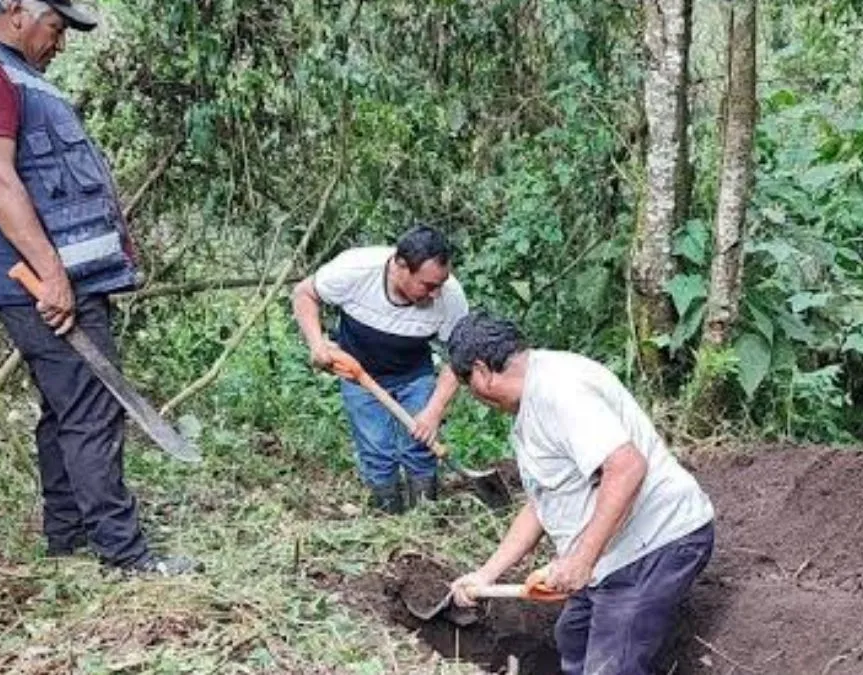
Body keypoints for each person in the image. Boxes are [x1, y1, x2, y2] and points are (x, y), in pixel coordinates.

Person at [0, 0, 198, 575]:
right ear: (15, 10)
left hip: (66, 277)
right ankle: (124, 556)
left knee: (67, 408)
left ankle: (70, 540)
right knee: (93, 408)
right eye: (55, 27)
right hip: (40, 282)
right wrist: (52, 276)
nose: (60, 43)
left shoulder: (17, 73)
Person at [445, 311, 715, 675]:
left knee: (612, 666)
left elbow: (627, 466)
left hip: (655, 542)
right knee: (572, 638)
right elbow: (543, 502)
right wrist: (486, 574)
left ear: (480, 372)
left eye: (469, 388)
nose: (477, 398)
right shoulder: (534, 400)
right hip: (614, 553)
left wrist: (581, 560)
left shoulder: (560, 391)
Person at [291, 225, 468, 513]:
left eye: (440, 284)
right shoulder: (355, 269)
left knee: (421, 447)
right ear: (400, 266)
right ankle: (388, 519)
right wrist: (317, 344)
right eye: (427, 285)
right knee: (376, 449)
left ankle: (426, 517)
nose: (436, 294)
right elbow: (304, 293)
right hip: (358, 376)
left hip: (415, 375)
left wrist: (433, 411)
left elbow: (459, 356)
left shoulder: (450, 296)